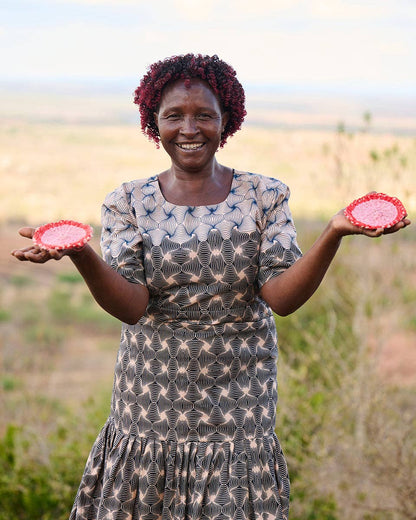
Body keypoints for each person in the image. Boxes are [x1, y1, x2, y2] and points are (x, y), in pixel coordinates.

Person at [11, 53, 410, 520]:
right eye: (173, 116)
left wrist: (333, 232)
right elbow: (132, 306)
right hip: (151, 405)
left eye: (204, 115)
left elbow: (281, 298)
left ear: (227, 120)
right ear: (152, 122)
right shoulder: (128, 202)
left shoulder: (265, 195)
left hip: (239, 406)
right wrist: (81, 253)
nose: (189, 128)